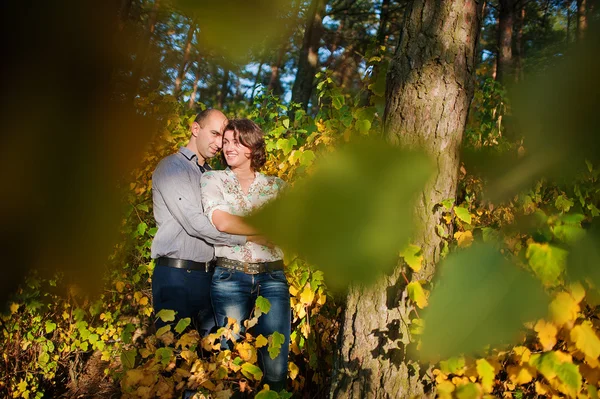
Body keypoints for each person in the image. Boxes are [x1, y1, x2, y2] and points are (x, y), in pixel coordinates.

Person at [151, 109, 265, 336]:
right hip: (176, 276)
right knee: (172, 358)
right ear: (195, 129)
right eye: (213, 134)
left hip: (209, 277)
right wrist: (248, 237)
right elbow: (195, 224)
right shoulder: (172, 167)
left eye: (221, 138)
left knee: (210, 357)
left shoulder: (213, 175)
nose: (218, 143)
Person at [200, 119, 290, 391]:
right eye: (226, 142)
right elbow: (222, 222)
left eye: (236, 141)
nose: (228, 147)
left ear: (252, 146)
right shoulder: (213, 179)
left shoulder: (277, 187)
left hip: (273, 278)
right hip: (229, 276)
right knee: (229, 362)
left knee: (275, 364)